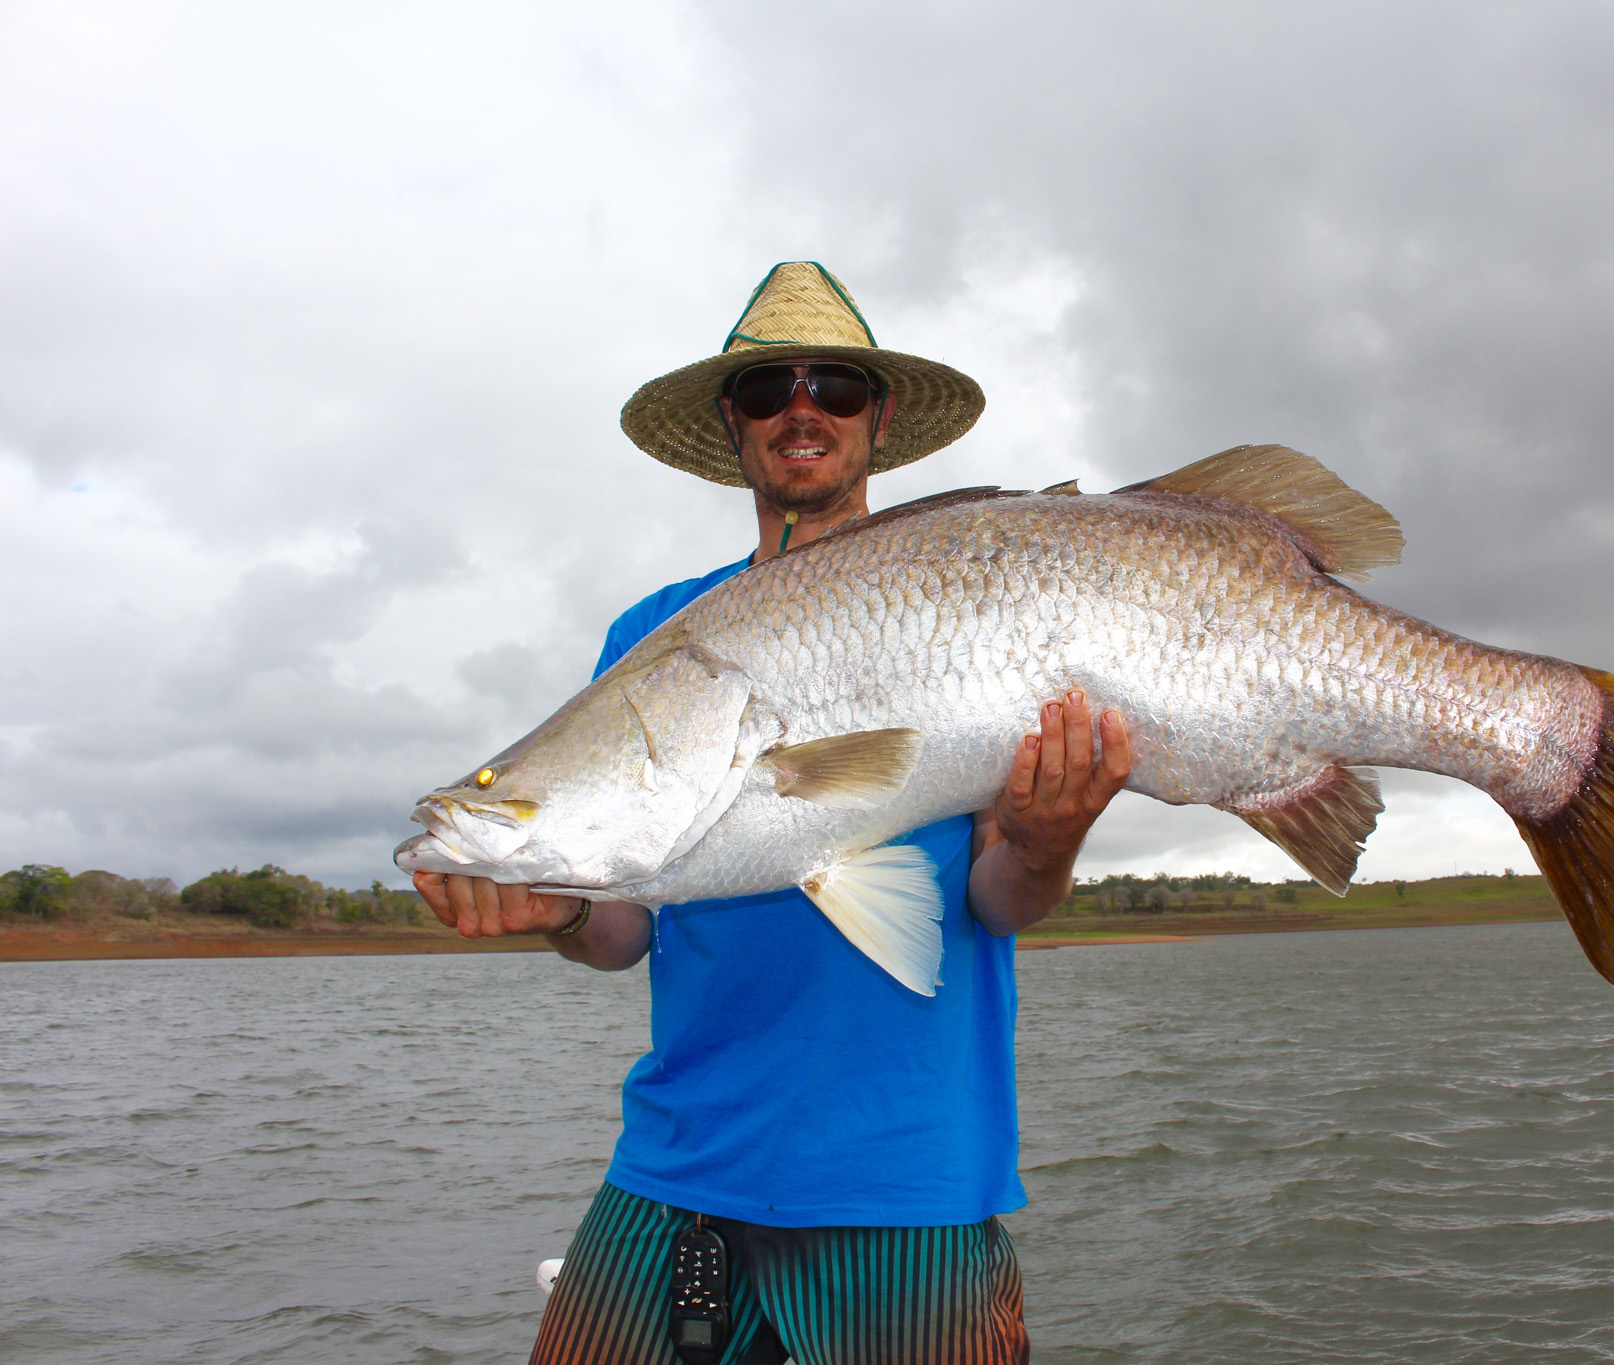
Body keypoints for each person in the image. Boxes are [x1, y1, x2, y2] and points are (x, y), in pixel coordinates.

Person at [414, 261, 1129, 1364]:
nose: (801, 409)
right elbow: (623, 928)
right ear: (734, 425)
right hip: (677, 1169)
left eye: (836, 385)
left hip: (908, 1177)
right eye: (765, 390)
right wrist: (555, 911)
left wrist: (1049, 835)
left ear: (877, 419)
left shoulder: (979, 608)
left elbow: (997, 901)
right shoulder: (653, 633)